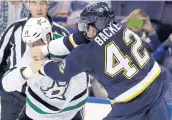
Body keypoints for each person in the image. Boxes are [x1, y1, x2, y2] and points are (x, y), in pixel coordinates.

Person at [32, 2, 171, 120]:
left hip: (131, 104)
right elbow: (82, 37)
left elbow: (60, 72)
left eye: (85, 26)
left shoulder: (86, 53)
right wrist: (46, 49)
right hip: (157, 89)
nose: (83, 30)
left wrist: (41, 66)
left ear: (92, 28)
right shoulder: (124, 29)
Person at [0, 0, 70, 120]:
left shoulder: (62, 33)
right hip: (14, 96)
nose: (38, 8)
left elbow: (73, 68)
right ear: (27, 5)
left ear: (48, 5)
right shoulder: (14, 29)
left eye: (42, 3)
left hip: (46, 98)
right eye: (34, 3)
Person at [2, 17, 88, 120]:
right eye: (30, 45)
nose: (33, 50)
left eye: (36, 44)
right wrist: (27, 71)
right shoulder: (30, 55)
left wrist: (44, 67)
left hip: (70, 113)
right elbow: (6, 84)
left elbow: (82, 82)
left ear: (48, 37)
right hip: (37, 113)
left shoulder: (69, 48)